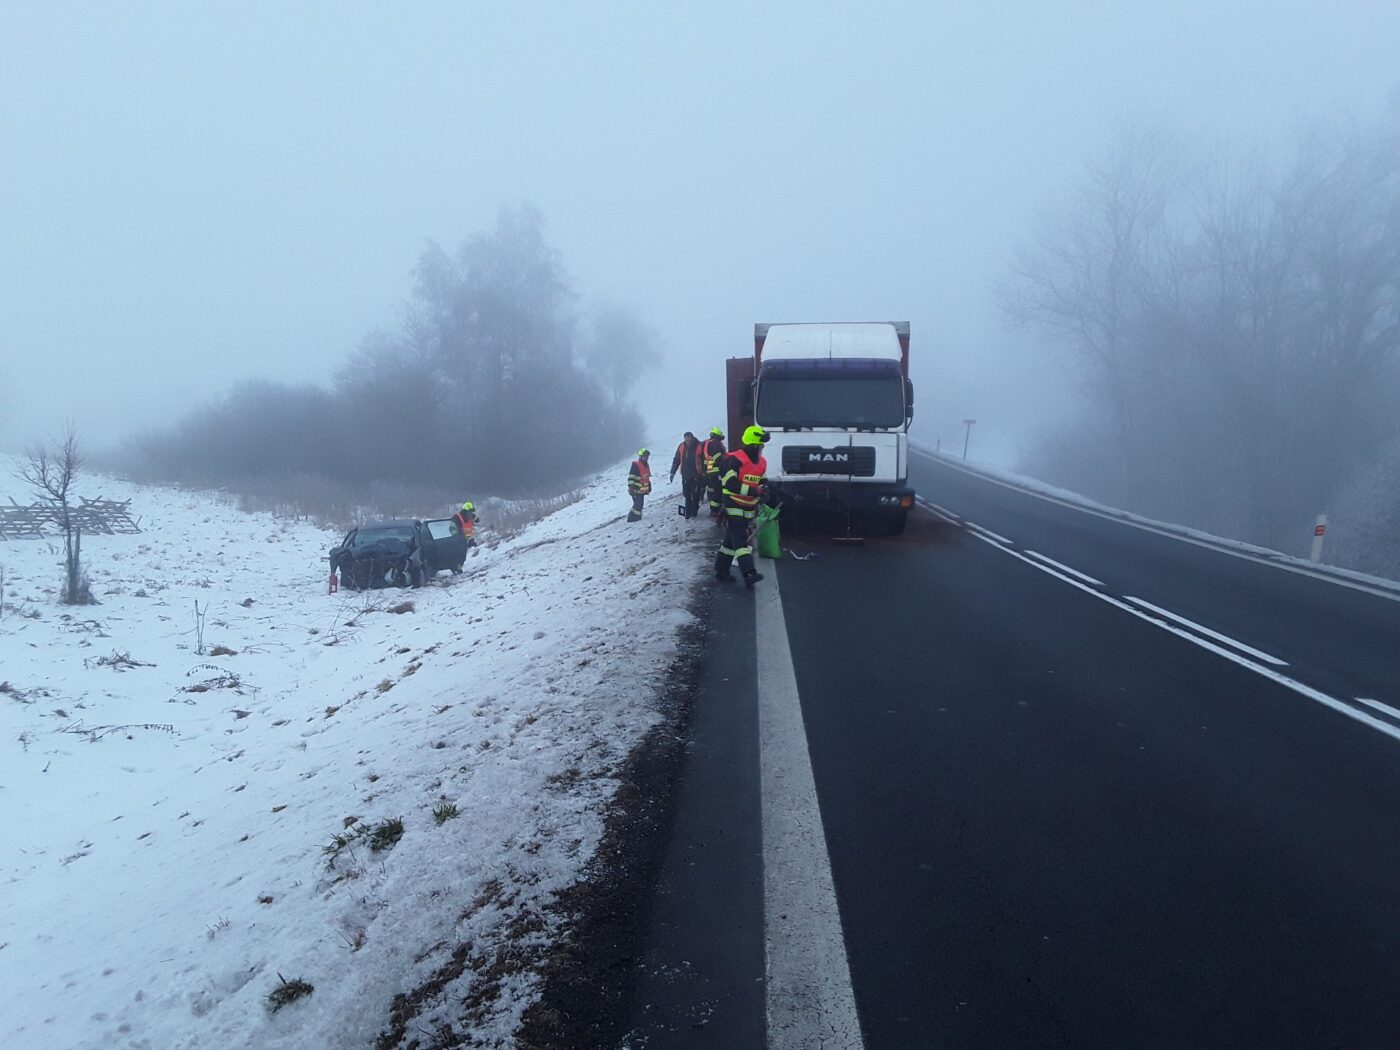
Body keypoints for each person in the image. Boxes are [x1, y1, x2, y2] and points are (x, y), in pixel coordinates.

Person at [714, 425, 770, 587]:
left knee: (730, 542)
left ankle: (721, 570)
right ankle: (749, 573)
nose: (762, 448)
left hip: (748, 507)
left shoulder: (762, 462)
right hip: (732, 504)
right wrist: (755, 491)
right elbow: (730, 483)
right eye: (761, 445)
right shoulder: (734, 460)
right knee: (740, 540)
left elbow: (762, 481)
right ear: (753, 445)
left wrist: (765, 491)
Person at [669, 431, 704, 519]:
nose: (688, 442)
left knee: (695, 494)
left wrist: (705, 473)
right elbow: (676, 460)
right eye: (686, 440)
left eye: (689, 439)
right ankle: (688, 513)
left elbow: (705, 460)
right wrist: (672, 472)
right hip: (685, 475)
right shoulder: (681, 446)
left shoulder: (699, 446)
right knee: (686, 494)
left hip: (697, 475)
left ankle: (694, 510)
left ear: (692, 438)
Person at [700, 426, 726, 520]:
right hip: (716, 471)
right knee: (718, 492)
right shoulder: (716, 444)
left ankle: (714, 509)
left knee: (713, 490)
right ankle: (715, 510)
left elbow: (706, 459)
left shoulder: (706, 443)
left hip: (709, 471)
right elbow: (718, 457)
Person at [627, 448, 652, 522]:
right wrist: (631, 489)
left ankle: (637, 518)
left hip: (642, 490)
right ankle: (631, 519)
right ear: (641, 456)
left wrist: (649, 486)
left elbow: (646, 478)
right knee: (637, 506)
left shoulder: (646, 465)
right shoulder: (636, 465)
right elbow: (631, 478)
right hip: (635, 490)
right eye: (645, 456)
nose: (646, 457)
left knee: (639, 506)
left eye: (647, 456)